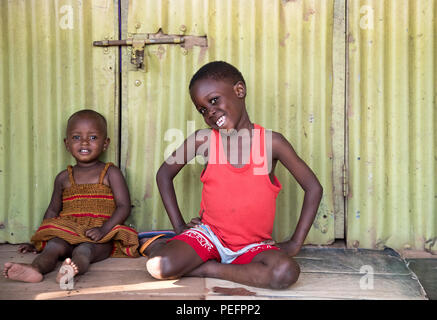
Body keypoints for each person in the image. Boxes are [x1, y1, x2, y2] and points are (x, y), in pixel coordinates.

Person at [138, 61, 323, 289]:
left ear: (239, 90)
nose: (210, 112)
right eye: (202, 109)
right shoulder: (203, 140)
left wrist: (296, 242)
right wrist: (179, 226)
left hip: (253, 246)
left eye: (214, 100)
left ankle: (208, 267)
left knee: (285, 272)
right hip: (209, 238)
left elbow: (313, 187)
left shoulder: (272, 143)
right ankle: (176, 247)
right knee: (158, 267)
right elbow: (164, 175)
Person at [3, 109, 139, 284]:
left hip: (98, 236)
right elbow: (52, 210)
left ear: (105, 144)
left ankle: (71, 270)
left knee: (84, 251)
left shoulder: (110, 173)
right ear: (67, 144)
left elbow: (123, 206)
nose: (84, 142)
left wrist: (104, 230)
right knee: (52, 247)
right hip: (67, 232)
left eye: (92, 137)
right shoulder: (63, 177)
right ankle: (35, 269)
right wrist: (39, 239)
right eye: (76, 137)